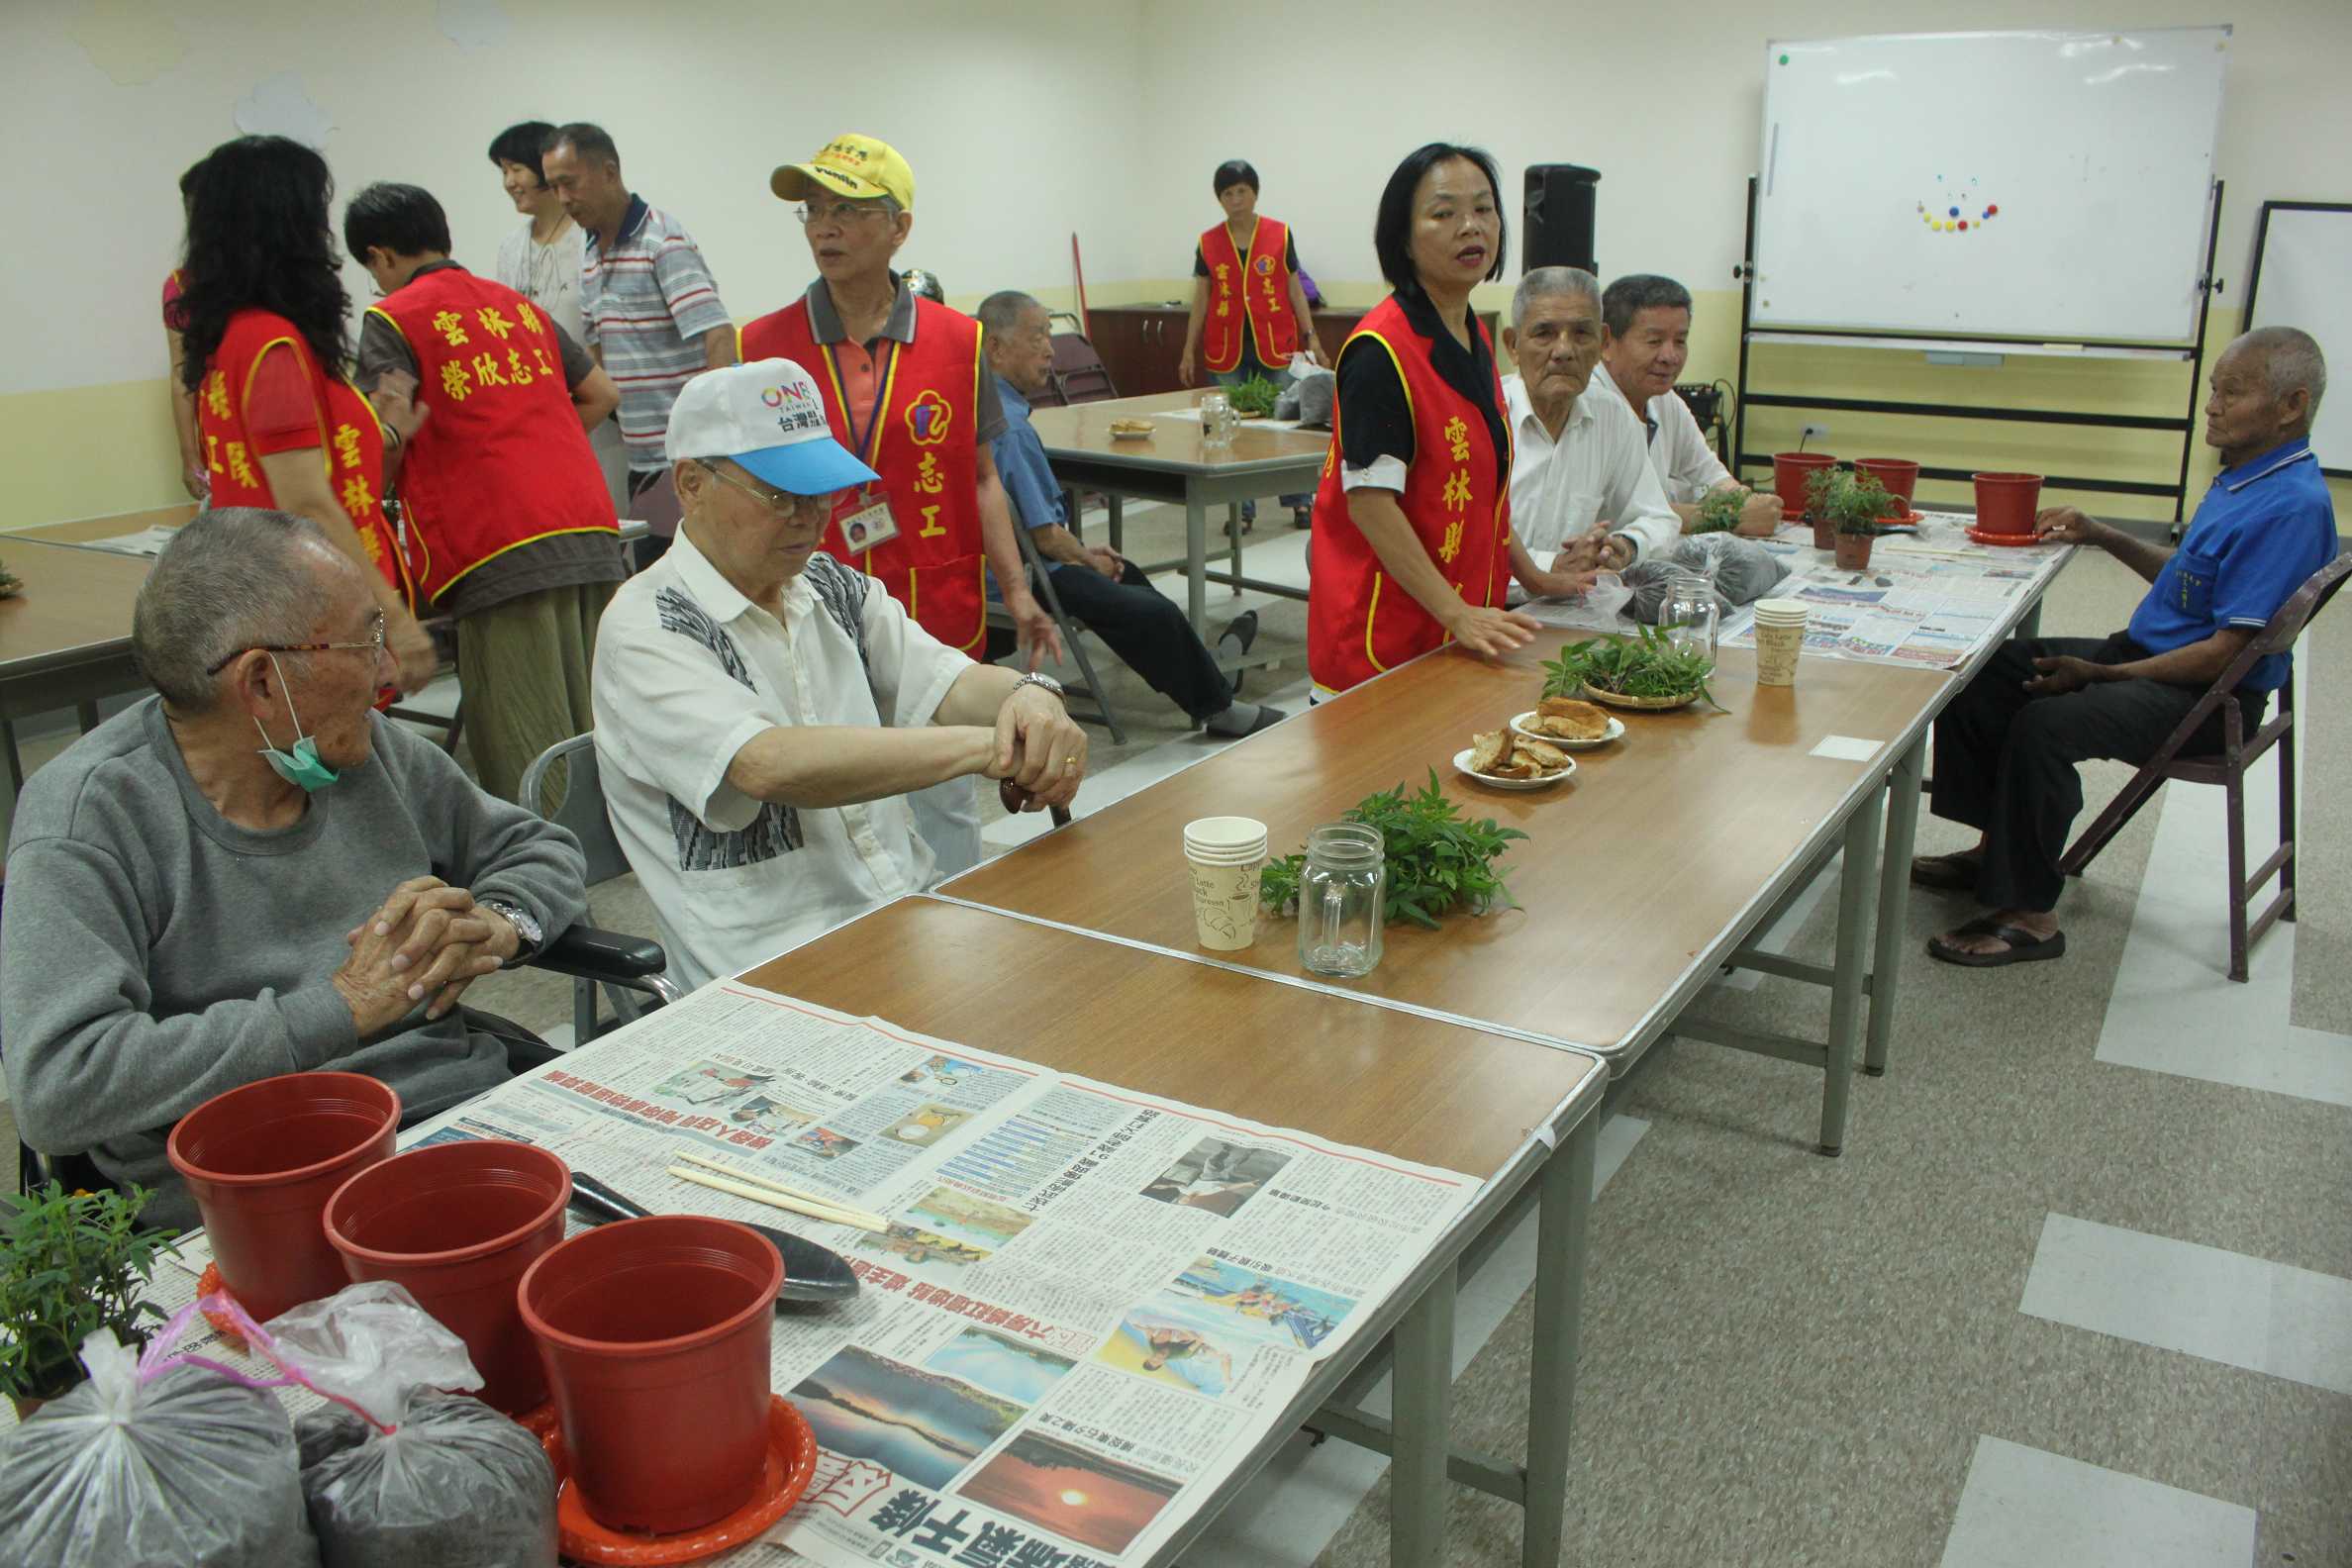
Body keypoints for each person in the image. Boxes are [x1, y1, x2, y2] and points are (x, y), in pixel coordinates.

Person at [1, 508, 588, 1226]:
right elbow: (62, 1085)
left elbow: (538, 848)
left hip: (455, 1115)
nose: (387, 672)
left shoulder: (367, 752)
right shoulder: (92, 815)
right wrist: (337, 1008)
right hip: (261, 1191)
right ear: (261, 681)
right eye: (364, 641)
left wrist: (499, 925)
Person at [591, 358, 1088, 993]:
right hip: (771, 971)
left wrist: (1033, 697)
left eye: (821, 492)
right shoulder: (649, 624)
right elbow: (767, 764)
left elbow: (951, 683)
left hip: (904, 917)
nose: (810, 516)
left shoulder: (828, 586)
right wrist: (991, 747)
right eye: (780, 495)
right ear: (690, 484)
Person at [1914, 327, 2336, 967]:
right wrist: (2100, 534)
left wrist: (2101, 677)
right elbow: (2191, 579)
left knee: (2046, 723)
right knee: (1982, 673)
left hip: (2204, 696)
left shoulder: (2291, 506)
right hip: (2151, 658)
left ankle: (2029, 913)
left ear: (2290, 406)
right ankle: (1997, 853)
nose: (2213, 405)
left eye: (2233, 392)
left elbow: (2225, 654)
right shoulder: (2246, 479)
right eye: (2215, 389)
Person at [739, 133, 1059, 874]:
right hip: (809, 598)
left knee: (942, 784)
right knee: (829, 790)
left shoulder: (960, 340)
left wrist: (1017, 591)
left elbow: (983, 475)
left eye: (847, 210)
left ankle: (952, 931)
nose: (825, 227)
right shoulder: (765, 345)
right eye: (814, 210)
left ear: (899, 227)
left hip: (932, 597)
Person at [344, 181, 626, 808]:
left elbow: (387, 430)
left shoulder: (393, 319)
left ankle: (548, 880)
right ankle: (620, 853)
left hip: (494, 542)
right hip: (587, 522)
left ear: (381, 256)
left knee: (527, 732)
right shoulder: (516, 306)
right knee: (599, 711)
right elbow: (602, 395)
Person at [175, 136, 436, 693]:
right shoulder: (273, 345)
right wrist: (395, 621)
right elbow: (305, 500)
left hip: (275, 601)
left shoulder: (232, 336)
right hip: (312, 611)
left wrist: (385, 430)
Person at [978, 290, 1282, 737]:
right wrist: (1085, 556)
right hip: (1026, 575)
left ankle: (1210, 673)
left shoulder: (993, 410)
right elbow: (1044, 538)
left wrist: (1084, 554)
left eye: (1050, 334)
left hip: (1025, 564)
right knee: (1145, 610)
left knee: (1127, 573)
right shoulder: (1011, 429)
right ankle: (1217, 706)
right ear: (995, 349)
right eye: (1037, 336)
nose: (1050, 348)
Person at [1307, 144, 1538, 699]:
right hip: (1380, 649)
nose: (1470, 227)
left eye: (1484, 209)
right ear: (1403, 239)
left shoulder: (1473, 334)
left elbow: (1486, 493)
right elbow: (1370, 503)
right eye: (1443, 213)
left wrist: (1532, 577)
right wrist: (1457, 612)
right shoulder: (1379, 350)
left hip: (1451, 635)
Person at [541, 122, 737, 566]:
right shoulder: (591, 255)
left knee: (704, 590)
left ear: (609, 172)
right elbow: (596, 353)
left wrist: (714, 440)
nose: (563, 199)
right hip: (643, 462)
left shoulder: (661, 242)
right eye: (554, 187)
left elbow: (718, 334)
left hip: (692, 462)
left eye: (569, 183)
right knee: (660, 587)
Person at [1499, 267, 1683, 592]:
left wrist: (1623, 546)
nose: (1564, 351)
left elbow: (1659, 519)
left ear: (1603, 342)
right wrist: (1546, 567)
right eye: (1544, 334)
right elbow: (1456, 547)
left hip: (1570, 611)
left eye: (1582, 334)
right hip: (1486, 613)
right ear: (1513, 345)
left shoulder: (1612, 415)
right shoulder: (1484, 416)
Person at [1177, 159, 1325, 530]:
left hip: (1276, 341)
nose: (1236, 199)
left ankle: (1299, 502)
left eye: (1242, 191)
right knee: (1231, 429)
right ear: (1220, 200)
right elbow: (1202, 297)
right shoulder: (1208, 242)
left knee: (1285, 422)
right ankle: (1240, 510)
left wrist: (1312, 337)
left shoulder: (1279, 233)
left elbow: (1294, 287)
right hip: (1225, 347)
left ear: (1255, 193)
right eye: (1228, 193)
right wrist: (1186, 349)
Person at [489, 119, 628, 512]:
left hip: (601, 409)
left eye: (516, 169)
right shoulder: (510, 248)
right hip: (542, 411)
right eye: (503, 172)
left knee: (613, 512)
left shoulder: (589, 239)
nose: (509, 182)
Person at [1596, 273, 1781, 536]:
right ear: (1606, 343)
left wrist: (1751, 503)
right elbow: (1619, 514)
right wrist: (1726, 516)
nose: (1670, 356)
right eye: (1654, 341)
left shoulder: (1666, 402)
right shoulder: (1588, 405)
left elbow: (1712, 477)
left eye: (1680, 341)